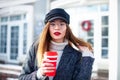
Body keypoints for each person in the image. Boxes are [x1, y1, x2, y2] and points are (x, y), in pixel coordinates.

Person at [19, 8, 94, 80]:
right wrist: (39, 74)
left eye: (62, 24)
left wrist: (87, 56)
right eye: (52, 24)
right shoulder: (36, 48)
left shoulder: (75, 54)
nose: (57, 28)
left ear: (67, 28)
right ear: (47, 28)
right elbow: (22, 78)